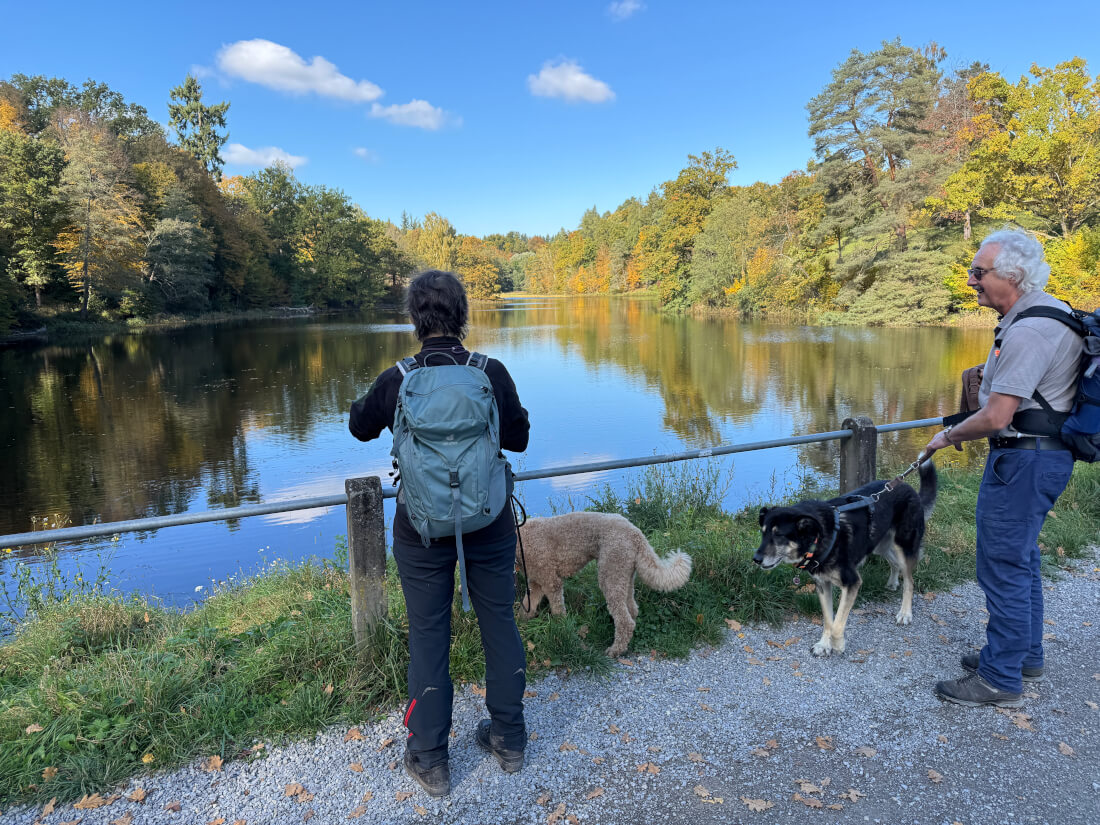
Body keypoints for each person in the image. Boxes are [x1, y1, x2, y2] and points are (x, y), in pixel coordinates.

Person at [349, 270, 530, 796]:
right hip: (489, 521)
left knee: (429, 633)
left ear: (415, 318)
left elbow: (360, 425)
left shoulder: (399, 378)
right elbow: (518, 439)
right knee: (499, 622)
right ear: (462, 315)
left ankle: (430, 758)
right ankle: (509, 739)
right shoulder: (490, 372)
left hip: (421, 527)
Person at [923, 228, 1082, 708]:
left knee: (1002, 565)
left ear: (1011, 275)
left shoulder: (1029, 330)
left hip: (1024, 461)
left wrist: (948, 436)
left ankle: (999, 678)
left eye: (978, 271)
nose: (971, 280)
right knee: (1021, 558)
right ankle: (1022, 656)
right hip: (1039, 457)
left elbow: (996, 416)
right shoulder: (1047, 312)